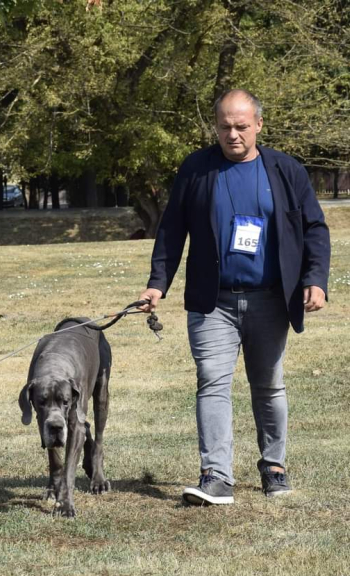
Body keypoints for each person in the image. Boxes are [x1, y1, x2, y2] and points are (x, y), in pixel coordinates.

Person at [137, 89, 330, 506]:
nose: (233, 134)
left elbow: (314, 228)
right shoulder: (196, 169)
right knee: (212, 384)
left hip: (270, 299)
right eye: (225, 126)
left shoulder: (285, 170)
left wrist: (315, 279)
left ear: (259, 124)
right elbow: (172, 230)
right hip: (213, 303)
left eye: (242, 126)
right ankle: (216, 477)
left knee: (268, 387)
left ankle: (273, 467)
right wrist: (157, 283)